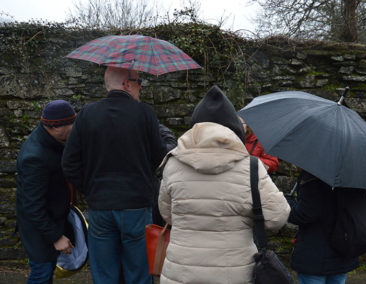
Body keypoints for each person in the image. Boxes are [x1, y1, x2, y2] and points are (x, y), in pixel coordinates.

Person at [157, 85, 291, 283]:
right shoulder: (251, 167)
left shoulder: (173, 163)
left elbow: (167, 214)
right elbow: (278, 217)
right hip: (233, 274)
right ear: (234, 128)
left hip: (181, 273)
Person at [62, 66, 167, 284]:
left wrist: (89, 189)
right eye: (138, 82)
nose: (140, 87)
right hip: (137, 206)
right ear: (126, 84)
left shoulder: (87, 115)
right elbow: (160, 159)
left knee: (105, 275)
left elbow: (69, 163)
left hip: (100, 206)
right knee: (139, 274)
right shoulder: (145, 113)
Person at [16, 100, 76, 283]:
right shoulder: (35, 157)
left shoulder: (52, 140)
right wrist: (56, 237)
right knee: (41, 275)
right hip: (39, 232)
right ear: (56, 127)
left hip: (50, 221)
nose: (75, 128)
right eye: (71, 124)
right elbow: (32, 206)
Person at [286, 170, 359, 284]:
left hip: (315, 255)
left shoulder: (313, 178)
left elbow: (303, 214)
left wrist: (288, 203)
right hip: (344, 251)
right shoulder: (354, 178)